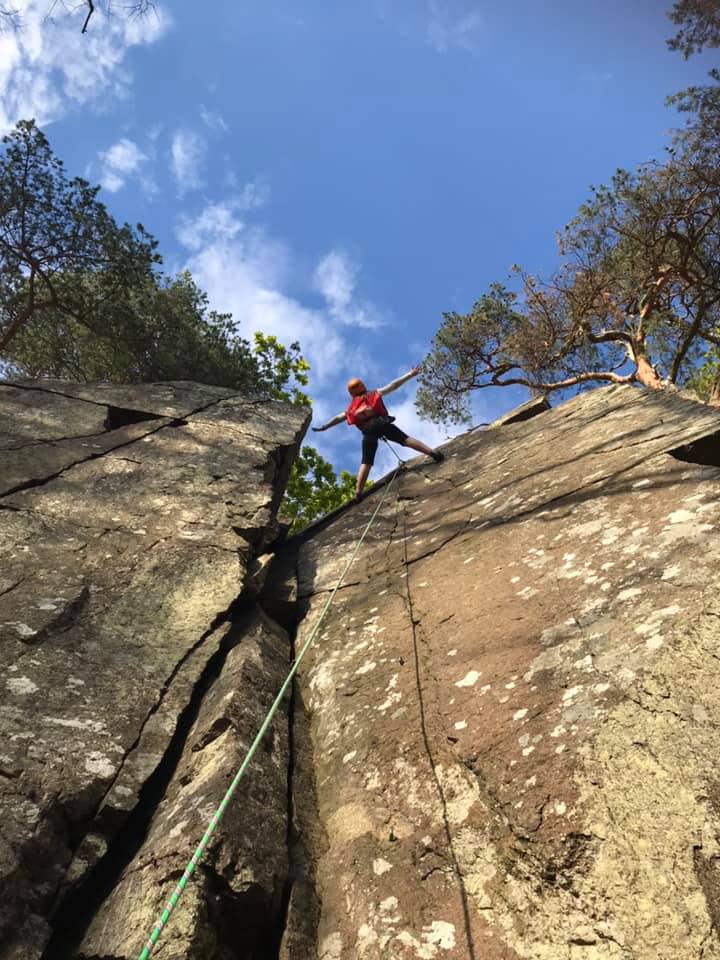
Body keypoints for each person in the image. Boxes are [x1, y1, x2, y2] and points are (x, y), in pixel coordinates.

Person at [312, 365, 445, 501]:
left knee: (366, 461)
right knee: (405, 439)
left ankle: (358, 492)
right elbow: (393, 385)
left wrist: (324, 427)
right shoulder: (373, 394)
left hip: (368, 430)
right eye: (361, 384)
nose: (363, 385)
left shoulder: (351, 409)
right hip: (381, 422)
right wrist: (410, 374)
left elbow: (338, 418)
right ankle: (432, 453)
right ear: (361, 387)